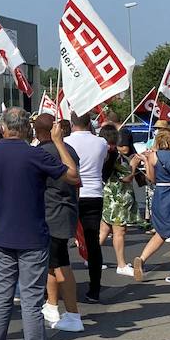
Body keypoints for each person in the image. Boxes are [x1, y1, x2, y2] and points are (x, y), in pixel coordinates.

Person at [0, 108, 79, 340]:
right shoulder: (36, 154)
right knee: (31, 302)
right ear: (25, 129)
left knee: (0, 297)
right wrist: (58, 142)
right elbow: (74, 176)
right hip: (31, 236)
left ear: (4, 127)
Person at [132, 123, 170, 285]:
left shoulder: (155, 156)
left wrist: (146, 160)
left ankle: (142, 258)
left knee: (161, 231)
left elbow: (151, 179)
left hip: (162, 195)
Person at [37, 117, 85, 333]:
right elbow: (77, 184)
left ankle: (73, 314)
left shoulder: (44, 152)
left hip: (51, 212)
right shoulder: (69, 150)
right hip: (64, 210)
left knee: (61, 264)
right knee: (52, 262)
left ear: (38, 131)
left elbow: (74, 179)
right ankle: (52, 305)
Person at [65, 112, 108, 298]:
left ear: (72, 123)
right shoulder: (101, 142)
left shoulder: (65, 142)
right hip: (94, 194)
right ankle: (95, 288)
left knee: (61, 240)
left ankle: (65, 284)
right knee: (93, 242)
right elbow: (104, 160)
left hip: (72, 194)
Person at [98, 126, 139, 284]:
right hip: (117, 197)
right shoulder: (113, 156)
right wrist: (134, 164)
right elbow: (126, 177)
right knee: (119, 231)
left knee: (104, 230)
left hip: (109, 195)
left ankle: (90, 257)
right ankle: (121, 264)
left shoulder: (103, 154)